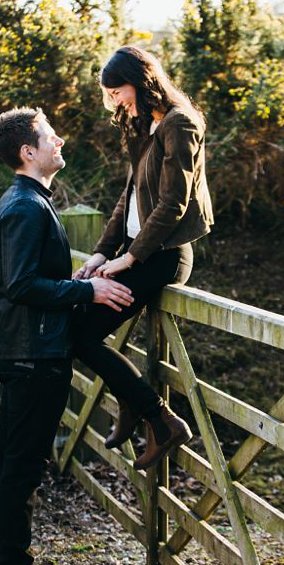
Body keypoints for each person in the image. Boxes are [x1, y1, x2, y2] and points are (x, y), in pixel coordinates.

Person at [0, 107, 134, 565]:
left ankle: (11, 560)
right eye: (51, 137)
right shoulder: (26, 207)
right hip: (33, 353)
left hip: (27, 349)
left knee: (9, 458)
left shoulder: (27, 202)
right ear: (29, 152)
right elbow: (22, 285)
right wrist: (85, 291)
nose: (60, 141)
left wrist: (78, 285)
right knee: (21, 466)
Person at [72, 45, 213, 470]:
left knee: (79, 336)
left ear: (142, 79)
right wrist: (101, 253)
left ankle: (161, 421)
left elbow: (173, 202)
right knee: (80, 330)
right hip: (136, 254)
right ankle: (134, 406)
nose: (115, 100)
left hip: (163, 257)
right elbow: (128, 198)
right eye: (110, 94)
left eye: (119, 90)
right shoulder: (143, 127)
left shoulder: (180, 124)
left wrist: (128, 259)